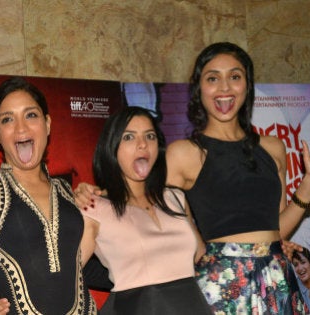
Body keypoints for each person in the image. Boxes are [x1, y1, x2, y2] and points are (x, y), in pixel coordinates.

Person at [165, 42, 310, 314]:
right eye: (212, 78)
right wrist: (199, 248)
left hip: (277, 279)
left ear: (247, 85)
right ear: (199, 88)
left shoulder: (273, 148)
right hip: (220, 284)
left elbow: (277, 231)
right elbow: (157, 215)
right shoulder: (183, 153)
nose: (224, 88)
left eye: (234, 76)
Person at [0, 77, 98, 314]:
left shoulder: (69, 192)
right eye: (7, 119)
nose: (21, 128)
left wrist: (95, 201)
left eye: (31, 115)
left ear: (47, 124)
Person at [79, 106, 212, 314]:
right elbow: (65, 272)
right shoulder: (95, 207)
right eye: (129, 137)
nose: (142, 145)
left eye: (149, 136)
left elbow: (200, 253)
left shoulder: (175, 197)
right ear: (112, 147)